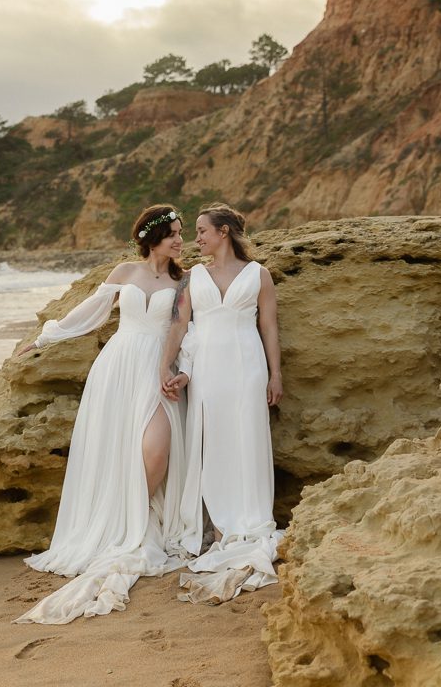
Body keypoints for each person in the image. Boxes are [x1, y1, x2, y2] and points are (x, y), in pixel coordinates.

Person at [12, 204, 200, 624]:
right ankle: (119, 523)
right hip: (117, 369)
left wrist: (179, 370)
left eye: (182, 233)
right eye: (172, 233)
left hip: (158, 369)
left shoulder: (184, 280)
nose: (179, 240)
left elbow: (187, 330)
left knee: (156, 453)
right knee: (116, 450)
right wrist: (46, 338)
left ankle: (134, 519)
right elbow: (89, 313)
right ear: (152, 237)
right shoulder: (124, 273)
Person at [160, 203, 284, 604]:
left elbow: (269, 327)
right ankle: (217, 527)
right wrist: (169, 366)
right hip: (209, 370)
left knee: (248, 439)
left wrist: (275, 374)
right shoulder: (193, 277)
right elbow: (180, 325)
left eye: (201, 231)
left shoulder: (259, 274)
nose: (195, 239)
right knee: (214, 443)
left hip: (248, 367)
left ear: (225, 232)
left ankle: (249, 519)